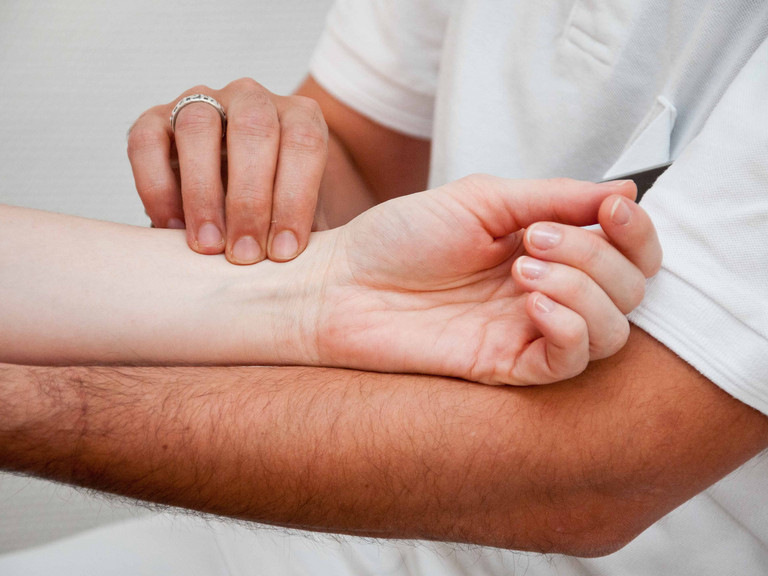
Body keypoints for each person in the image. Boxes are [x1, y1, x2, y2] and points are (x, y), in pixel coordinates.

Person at [2, 0, 768, 574]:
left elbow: (601, 469)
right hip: (379, 534)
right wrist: (281, 196)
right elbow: (363, 159)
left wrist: (26, 403)